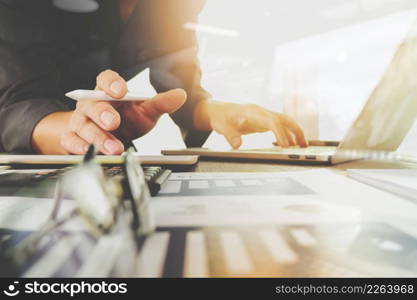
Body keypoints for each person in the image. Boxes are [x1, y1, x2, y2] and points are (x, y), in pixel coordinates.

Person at [0, 0, 307, 155]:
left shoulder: (172, 6)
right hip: (25, 177)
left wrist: (214, 112)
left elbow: (177, 80)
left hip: (110, 159)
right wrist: (80, 130)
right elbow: (16, 105)